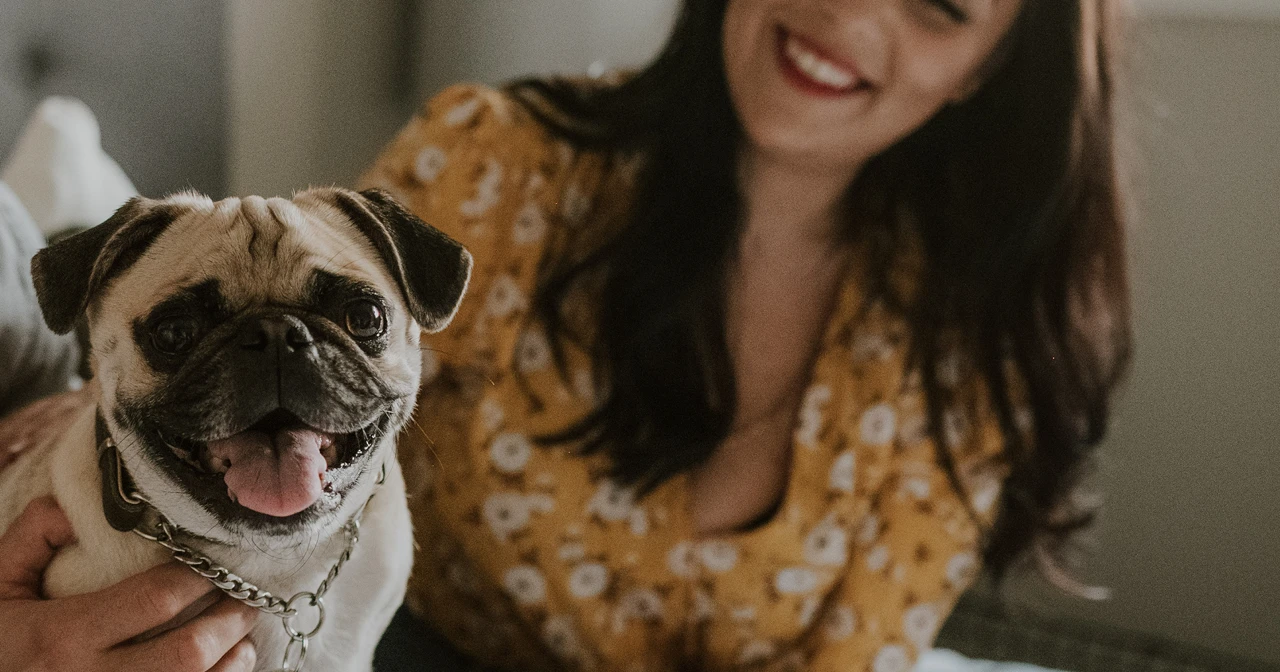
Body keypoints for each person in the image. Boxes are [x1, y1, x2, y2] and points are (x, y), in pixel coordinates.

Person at [0, 0, 1132, 669]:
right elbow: (290, 369)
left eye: (937, 1)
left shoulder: (971, 346)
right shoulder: (500, 165)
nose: (850, 10)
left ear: (992, 64)